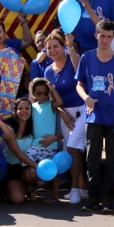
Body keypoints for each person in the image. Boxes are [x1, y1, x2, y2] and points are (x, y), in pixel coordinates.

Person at [76, 19, 114, 214]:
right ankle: (92, 196)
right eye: (102, 36)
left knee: (111, 158)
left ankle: (107, 198)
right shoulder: (87, 57)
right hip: (93, 116)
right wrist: (86, 99)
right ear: (96, 36)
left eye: (109, 37)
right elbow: (79, 85)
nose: (105, 40)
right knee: (92, 157)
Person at [42, 31, 88, 204]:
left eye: (56, 46)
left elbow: (79, 69)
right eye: (49, 48)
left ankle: (74, 190)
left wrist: (71, 46)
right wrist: (63, 114)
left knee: (73, 148)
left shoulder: (73, 60)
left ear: (63, 47)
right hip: (65, 114)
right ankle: (83, 188)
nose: (52, 50)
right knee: (72, 152)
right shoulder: (48, 71)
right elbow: (53, 100)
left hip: (83, 110)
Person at [2, 98, 44, 204]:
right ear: (15, 111)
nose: (24, 111)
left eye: (27, 108)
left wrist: (55, 137)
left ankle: (29, 186)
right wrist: (38, 166)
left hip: (25, 166)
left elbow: (54, 133)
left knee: (34, 172)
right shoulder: (9, 127)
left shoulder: (34, 127)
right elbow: (17, 153)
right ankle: (5, 188)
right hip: (10, 167)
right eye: (20, 108)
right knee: (18, 199)